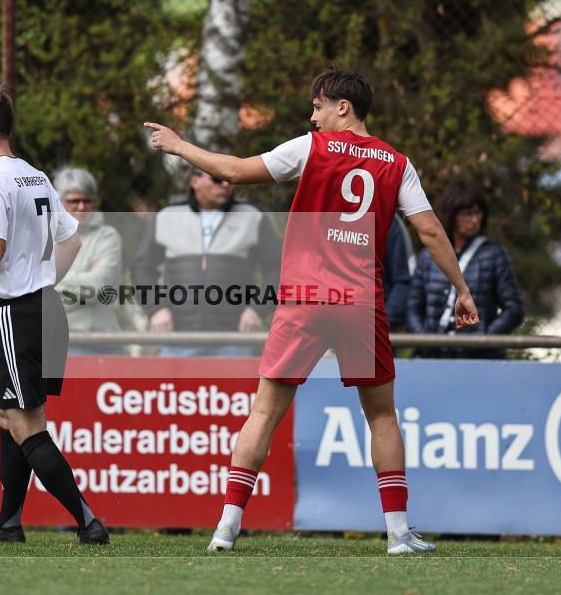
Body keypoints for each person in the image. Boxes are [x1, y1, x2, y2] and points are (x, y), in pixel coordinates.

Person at [145, 68, 479, 554]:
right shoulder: (396, 163)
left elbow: (234, 171)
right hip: (360, 303)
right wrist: (462, 290)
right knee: (382, 415)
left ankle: (226, 529)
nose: (313, 114)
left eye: (318, 105)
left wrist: (179, 146)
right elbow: (429, 231)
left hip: (305, 300)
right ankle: (398, 534)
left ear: (342, 106)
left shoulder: (310, 148)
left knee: (264, 411)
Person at [0, 79, 108, 545]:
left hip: (15, 312)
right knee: (6, 415)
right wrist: (46, 281)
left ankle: (88, 520)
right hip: (44, 308)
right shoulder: (34, 174)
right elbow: (71, 239)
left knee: (25, 423)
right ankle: (9, 522)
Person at [130, 167, 281, 357]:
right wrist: (155, 309)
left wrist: (258, 309)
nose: (226, 185)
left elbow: (278, 268)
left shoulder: (252, 217)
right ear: (195, 182)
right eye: (217, 179)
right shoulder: (167, 217)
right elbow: (142, 267)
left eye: (229, 179)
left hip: (234, 341)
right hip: (177, 341)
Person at [407, 179, 524, 357]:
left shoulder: (494, 254)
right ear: (452, 215)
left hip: (478, 359)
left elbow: (514, 308)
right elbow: (413, 307)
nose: (475, 219)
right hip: (432, 356)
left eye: (479, 213)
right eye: (468, 213)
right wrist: (425, 341)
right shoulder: (427, 256)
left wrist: (483, 341)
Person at [53, 167, 124, 355]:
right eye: (74, 201)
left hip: (103, 344)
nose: (82, 207)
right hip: (56, 341)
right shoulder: (44, 239)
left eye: (87, 200)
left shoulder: (108, 236)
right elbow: (35, 291)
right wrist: (85, 277)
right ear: (59, 202)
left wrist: (55, 282)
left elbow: (99, 286)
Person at [382, 215, 416, 330]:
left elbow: (405, 281)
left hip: (374, 331)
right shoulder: (326, 212)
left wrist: (381, 323)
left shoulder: (389, 220)